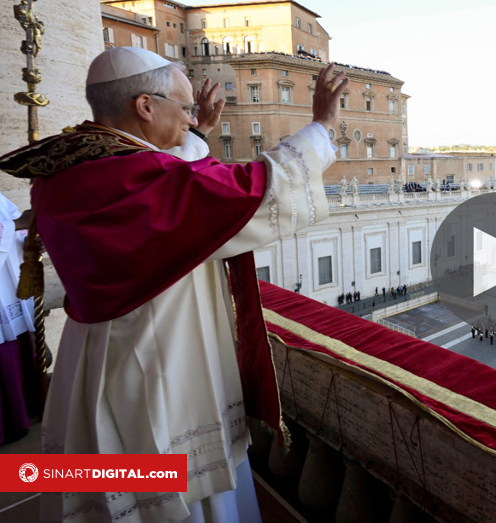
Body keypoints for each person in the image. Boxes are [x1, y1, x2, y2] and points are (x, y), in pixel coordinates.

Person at [0, 47, 349, 522]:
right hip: (156, 354)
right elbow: (249, 187)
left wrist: (199, 130)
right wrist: (322, 128)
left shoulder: (71, 166)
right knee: (169, 477)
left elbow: (175, 175)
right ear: (145, 106)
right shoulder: (139, 179)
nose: (189, 121)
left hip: (96, 352)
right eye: (183, 110)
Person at [0, 192, 36, 446]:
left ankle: (23, 415)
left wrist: (29, 239)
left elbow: (16, 226)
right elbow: (16, 222)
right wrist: (19, 224)